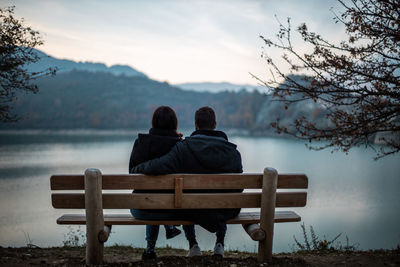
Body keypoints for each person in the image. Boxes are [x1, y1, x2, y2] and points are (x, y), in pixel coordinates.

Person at [133, 106, 243, 258]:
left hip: (193, 207)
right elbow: (238, 188)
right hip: (227, 209)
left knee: (185, 198)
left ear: (196, 125)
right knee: (222, 199)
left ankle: (193, 244)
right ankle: (219, 244)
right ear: (215, 125)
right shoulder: (234, 153)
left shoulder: (184, 148)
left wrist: (139, 168)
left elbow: (161, 165)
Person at [129, 106, 183, 260]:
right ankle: (171, 228)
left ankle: (150, 248)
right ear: (174, 123)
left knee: (149, 199)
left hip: (142, 209)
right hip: (174, 209)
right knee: (160, 200)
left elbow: (132, 176)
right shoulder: (180, 145)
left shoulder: (141, 143)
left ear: (153, 122)